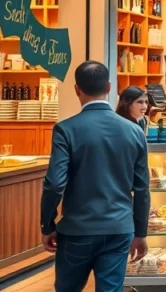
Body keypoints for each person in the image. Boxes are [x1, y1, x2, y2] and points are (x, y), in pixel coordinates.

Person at [41, 61, 150, 292]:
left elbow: (54, 184)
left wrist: (47, 224)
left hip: (76, 228)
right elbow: (142, 188)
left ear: (76, 89)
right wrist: (140, 232)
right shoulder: (134, 131)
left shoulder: (66, 129)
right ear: (109, 87)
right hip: (119, 226)